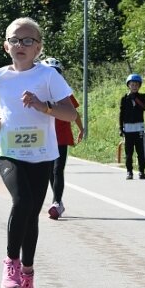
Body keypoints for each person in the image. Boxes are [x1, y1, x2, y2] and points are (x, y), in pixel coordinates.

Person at [0, 17, 77, 288]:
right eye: (15, 40)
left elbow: (70, 114)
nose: (20, 45)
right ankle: (11, 261)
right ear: (5, 45)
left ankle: (28, 272)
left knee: (31, 214)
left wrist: (42, 105)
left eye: (28, 41)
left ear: (38, 47)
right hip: (9, 152)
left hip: (43, 155)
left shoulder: (48, 76)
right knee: (21, 202)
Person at [42, 57, 83, 220]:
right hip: (44, 136)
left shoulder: (64, 91)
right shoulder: (39, 91)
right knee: (49, 172)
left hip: (62, 136)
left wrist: (81, 129)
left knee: (57, 169)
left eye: (56, 72)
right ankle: (56, 201)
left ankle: (57, 202)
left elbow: (75, 112)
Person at [119, 73, 145, 180]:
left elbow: (143, 107)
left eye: (136, 84)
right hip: (128, 129)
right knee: (129, 152)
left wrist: (135, 98)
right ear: (128, 85)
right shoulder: (124, 98)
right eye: (132, 84)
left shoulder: (142, 97)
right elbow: (121, 114)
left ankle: (141, 171)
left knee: (140, 151)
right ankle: (129, 171)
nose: (134, 86)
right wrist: (120, 127)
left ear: (139, 86)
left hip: (139, 128)